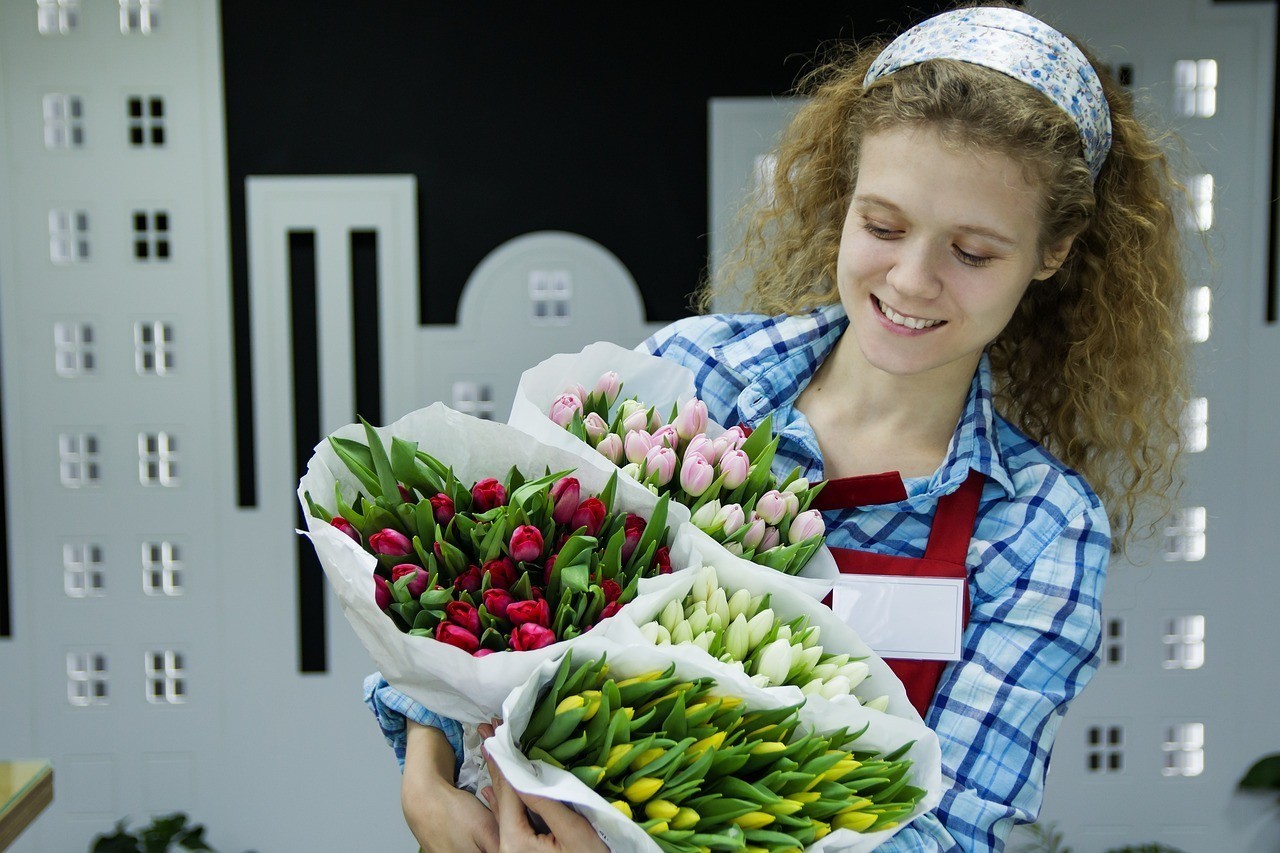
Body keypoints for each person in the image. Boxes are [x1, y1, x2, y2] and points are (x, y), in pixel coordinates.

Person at [365, 2, 1190, 849]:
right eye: (882, 225)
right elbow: (492, 583)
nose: (911, 280)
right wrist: (426, 772)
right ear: (845, 196)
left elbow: (947, 832)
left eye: (973, 253)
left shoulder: (1039, 529)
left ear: (1051, 252)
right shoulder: (693, 376)